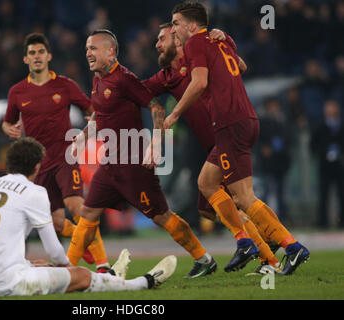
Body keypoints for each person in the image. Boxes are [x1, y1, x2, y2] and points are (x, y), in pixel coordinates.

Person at [167, 1, 309, 275]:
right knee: (207, 182)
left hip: (230, 123)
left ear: (192, 25)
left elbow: (199, 83)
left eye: (176, 23)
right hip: (242, 120)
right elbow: (240, 66)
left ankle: (292, 246)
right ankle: (246, 241)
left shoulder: (197, 43)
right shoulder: (219, 40)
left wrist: (174, 115)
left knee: (243, 196)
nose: (173, 28)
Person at [67, 29, 215, 278]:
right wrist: (82, 136)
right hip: (110, 165)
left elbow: (155, 106)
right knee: (88, 213)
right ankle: (66, 269)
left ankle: (204, 258)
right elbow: (99, 116)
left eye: (93, 48)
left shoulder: (125, 79)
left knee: (161, 216)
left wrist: (156, 142)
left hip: (134, 166)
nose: (88, 54)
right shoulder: (97, 79)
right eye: (86, 49)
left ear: (110, 51)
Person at [143, 23, 281, 274]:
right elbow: (139, 92)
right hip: (206, 145)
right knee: (212, 208)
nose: (157, 45)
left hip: (227, 135)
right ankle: (264, 242)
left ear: (178, 40)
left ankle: (269, 249)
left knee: (240, 199)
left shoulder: (200, 57)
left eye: (162, 38)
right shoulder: (166, 77)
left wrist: (223, 35)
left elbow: (239, 65)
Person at [0, 137, 177, 297]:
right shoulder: (34, 191)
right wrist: (68, 268)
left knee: (40, 265)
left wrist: (27, 264)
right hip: (5, 285)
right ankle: (143, 282)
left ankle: (108, 276)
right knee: (82, 276)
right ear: (37, 166)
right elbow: (54, 250)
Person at [2, 33, 109, 271]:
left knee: (77, 207)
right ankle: (86, 243)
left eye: (41, 52)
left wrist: (87, 131)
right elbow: (7, 122)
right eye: (32, 53)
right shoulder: (17, 92)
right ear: (25, 59)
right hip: (37, 166)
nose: (37, 56)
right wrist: (9, 129)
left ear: (48, 56)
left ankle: (104, 265)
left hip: (65, 158)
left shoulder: (65, 85)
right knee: (58, 223)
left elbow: (94, 110)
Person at [310, 100, 344, 228]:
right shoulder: (320, 125)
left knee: (341, 193)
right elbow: (313, 144)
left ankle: (341, 221)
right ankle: (322, 221)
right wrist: (320, 154)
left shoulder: (340, 124)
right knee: (323, 194)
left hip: (340, 164)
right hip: (325, 165)